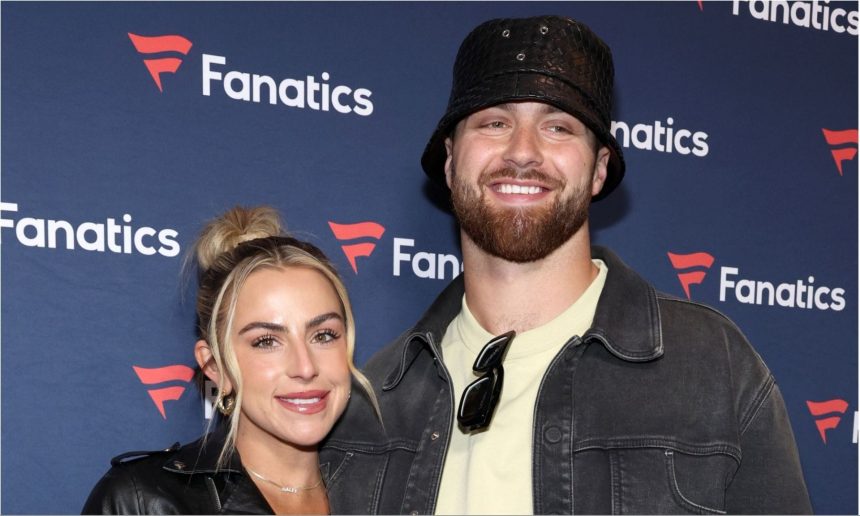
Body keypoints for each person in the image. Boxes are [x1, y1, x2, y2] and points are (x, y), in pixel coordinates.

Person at [320, 15, 812, 515]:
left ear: (598, 169)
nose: (523, 152)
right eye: (494, 122)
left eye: (557, 127)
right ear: (450, 162)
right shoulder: (374, 399)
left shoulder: (713, 368)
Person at [83, 206, 377, 514]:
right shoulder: (143, 502)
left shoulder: (393, 492)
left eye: (324, 335)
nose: (305, 367)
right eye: (266, 341)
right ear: (215, 367)